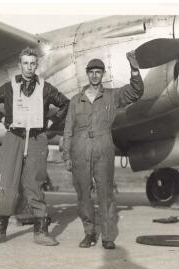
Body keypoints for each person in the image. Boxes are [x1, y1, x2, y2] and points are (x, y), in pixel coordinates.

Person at [0, 47, 69, 246]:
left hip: (38, 138)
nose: (29, 67)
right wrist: (2, 118)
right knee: (8, 184)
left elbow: (66, 103)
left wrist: (51, 122)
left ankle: (41, 232)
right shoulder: (9, 87)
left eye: (32, 63)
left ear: (36, 65)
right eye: (25, 63)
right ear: (20, 65)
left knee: (35, 184)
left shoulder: (46, 88)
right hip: (14, 137)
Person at [62, 52, 144, 249]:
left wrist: (134, 69)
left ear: (103, 74)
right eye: (92, 72)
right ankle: (89, 233)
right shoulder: (75, 100)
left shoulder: (112, 96)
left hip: (104, 146)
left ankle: (107, 236)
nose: (95, 76)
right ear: (87, 75)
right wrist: (66, 154)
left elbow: (135, 91)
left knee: (105, 193)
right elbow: (68, 129)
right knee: (83, 193)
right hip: (80, 148)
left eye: (99, 72)